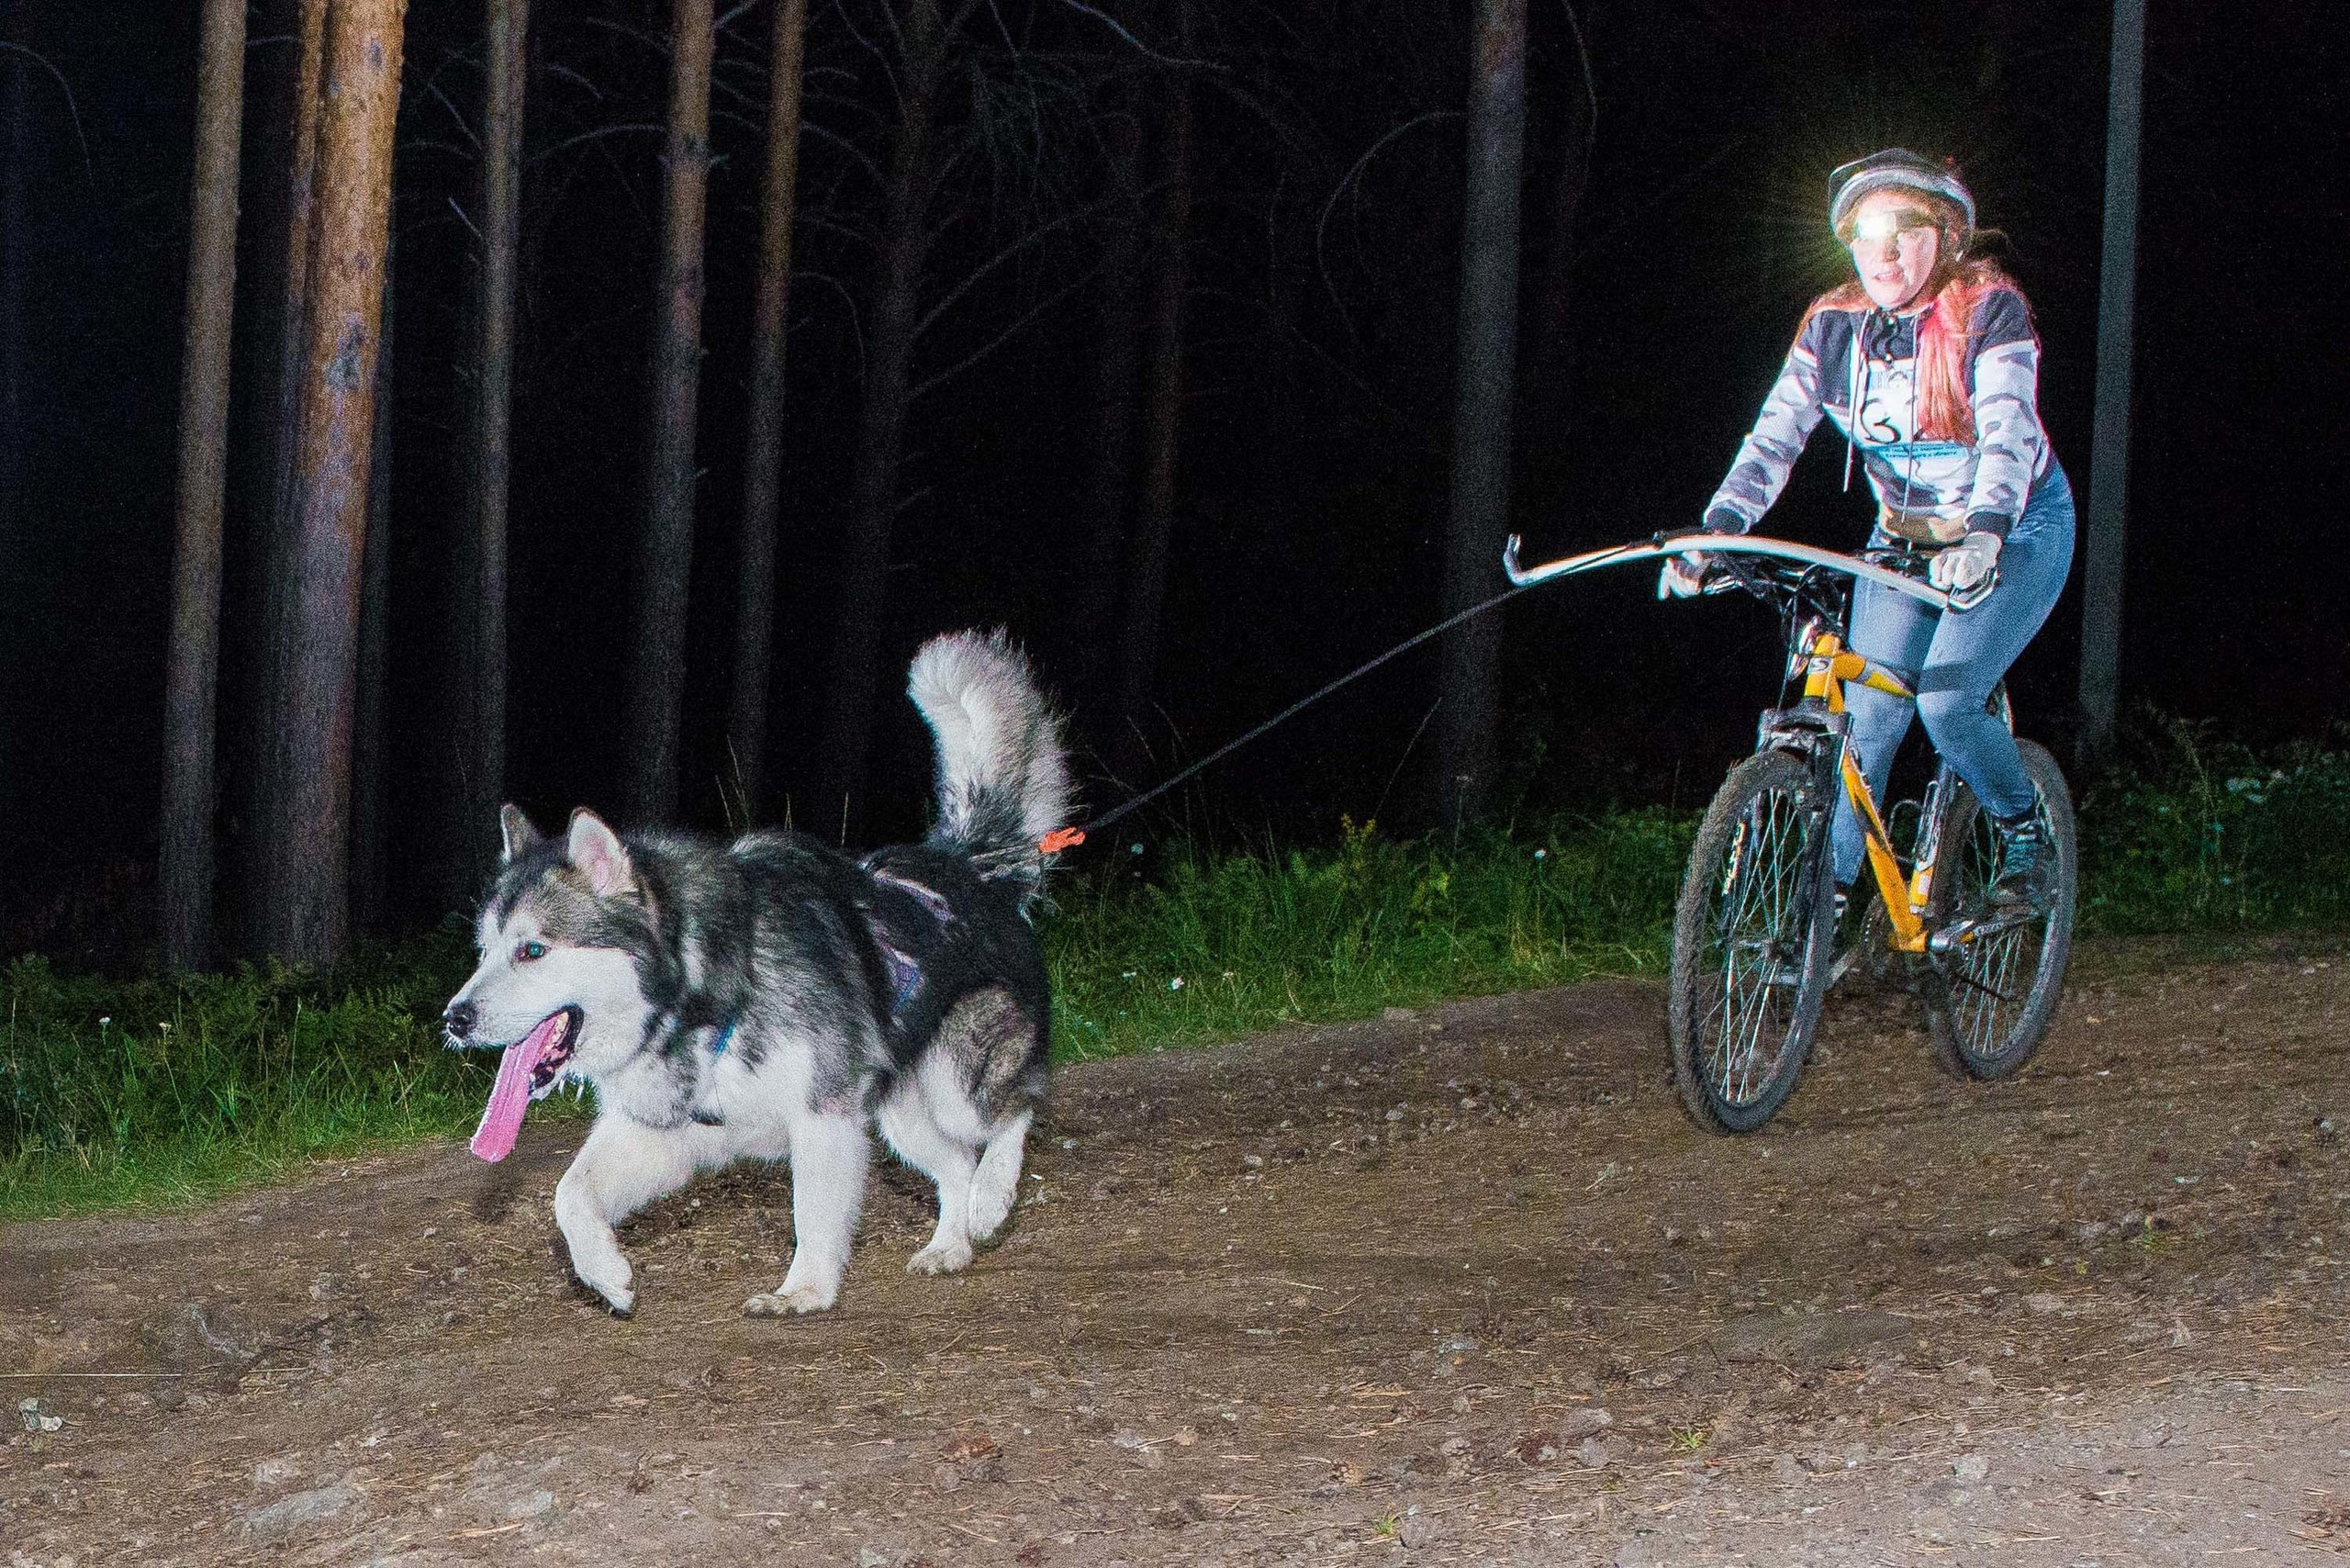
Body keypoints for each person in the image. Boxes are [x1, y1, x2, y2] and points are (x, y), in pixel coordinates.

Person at [1668, 148, 2074, 910]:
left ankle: (2025, 831)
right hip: (1906, 543)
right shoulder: (1833, 329)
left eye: (1902, 229)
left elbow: (2010, 436)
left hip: (2016, 527)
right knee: (1867, 720)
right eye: (1861, 232)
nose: (1881, 252)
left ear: (1946, 236)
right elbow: (1773, 440)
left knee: (1947, 703)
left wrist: (1983, 535)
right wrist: (1716, 530)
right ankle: (1831, 904)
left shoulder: (1990, 312)